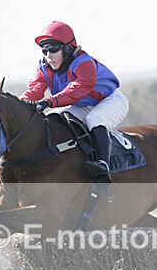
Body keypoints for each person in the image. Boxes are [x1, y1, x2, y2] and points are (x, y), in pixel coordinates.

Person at [21, 21, 129, 180]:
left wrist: (50, 101)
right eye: (44, 50)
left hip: (110, 100)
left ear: (67, 48)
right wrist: (19, 104)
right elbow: (35, 88)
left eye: (53, 49)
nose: (48, 55)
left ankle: (103, 165)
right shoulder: (44, 66)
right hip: (81, 104)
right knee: (52, 117)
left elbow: (78, 89)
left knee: (95, 119)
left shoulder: (83, 62)